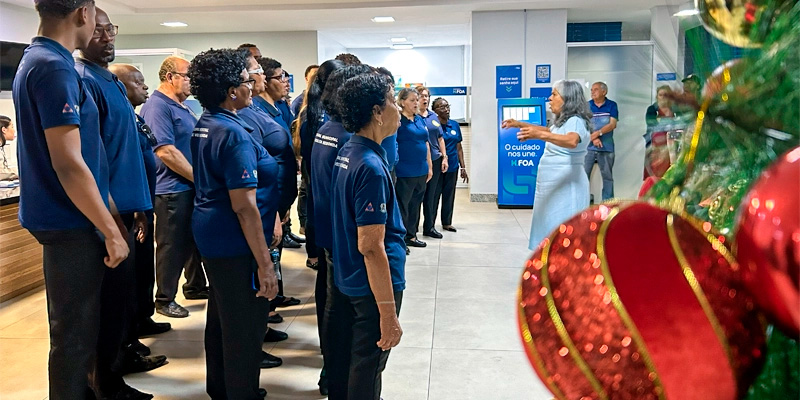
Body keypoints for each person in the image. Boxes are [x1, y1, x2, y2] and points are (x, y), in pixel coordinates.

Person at [12, 1, 129, 397]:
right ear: (82, 13)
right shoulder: (54, 67)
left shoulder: (39, 59)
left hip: (69, 218)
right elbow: (69, 163)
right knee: (74, 339)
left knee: (80, 332)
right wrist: (110, 230)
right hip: (70, 221)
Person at [75, 9, 166, 396]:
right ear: (82, 29)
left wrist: (140, 206)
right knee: (107, 308)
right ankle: (106, 384)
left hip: (128, 211)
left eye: (110, 29)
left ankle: (115, 372)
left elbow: (128, 150)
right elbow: (92, 162)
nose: (107, 37)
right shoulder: (84, 81)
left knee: (123, 302)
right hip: (107, 218)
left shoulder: (110, 81)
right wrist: (113, 219)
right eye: (98, 30)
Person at [188, 48, 280, 399]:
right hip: (233, 238)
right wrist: (265, 265)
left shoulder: (207, 122)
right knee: (244, 325)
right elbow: (244, 207)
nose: (251, 86)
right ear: (231, 91)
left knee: (222, 315)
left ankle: (221, 388)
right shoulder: (233, 134)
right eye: (245, 81)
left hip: (212, 232)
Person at [328, 72, 405, 400]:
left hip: (351, 276)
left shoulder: (350, 152)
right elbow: (371, 246)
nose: (397, 108)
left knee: (356, 358)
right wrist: (388, 313)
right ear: (377, 112)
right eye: (392, 100)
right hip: (371, 285)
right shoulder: (370, 167)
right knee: (369, 362)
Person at [309, 63, 373, 396]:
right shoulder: (349, 140)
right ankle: (338, 380)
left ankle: (332, 376)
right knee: (343, 317)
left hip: (329, 232)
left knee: (333, 307)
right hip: (343, 240)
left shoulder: (326, 128)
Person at [140, 55, 208, 318]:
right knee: (171, 246)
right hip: (171, 189)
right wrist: (199, 179)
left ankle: (195, 286)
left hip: (187, 186)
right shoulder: (157, 107)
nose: (192, 81)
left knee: (192, 242)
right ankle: (164, 299)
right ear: (170, 77)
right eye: (188, 76)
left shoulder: (183, 106)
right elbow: (165, 151)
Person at [111, 63, 174, 343]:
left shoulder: (135, 118)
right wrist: (137, 206)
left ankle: (142, 317)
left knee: (144, 266)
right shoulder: (118, 120)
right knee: (129, 274)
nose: (145, 87)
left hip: (144, 203)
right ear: (119, 87)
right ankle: (129, 334)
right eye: (137, 82)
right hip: (128, 207)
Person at [503, 80, 592, 250]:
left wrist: (539, 136)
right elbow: (548, 131)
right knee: (549, 227)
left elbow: (571, 140)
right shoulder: (564, 122)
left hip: (567, 187)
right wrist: (519, 124)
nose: (550, 98)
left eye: (554, 94)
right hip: (555, 187)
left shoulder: (575, 121)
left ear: (567, 99)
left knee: (563, 231)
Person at [295, 59, 343, 272]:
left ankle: (317, 254)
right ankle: (314, 254)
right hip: (319, 174)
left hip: (318, 173)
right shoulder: (319, 115)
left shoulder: (318, 112)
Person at [253, 56, 304, 249]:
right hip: (269, 197)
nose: (286, 81)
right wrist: (273, 209)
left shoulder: (279, 107)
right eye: (280, 77)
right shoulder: (257, 110)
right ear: (266, 81)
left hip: (282, 193)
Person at [394, 88, 433, 251]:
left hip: (421, 170)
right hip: (404, 171)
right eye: (412, 100)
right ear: (402, 102)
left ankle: (411, 235)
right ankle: (401, 240)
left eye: (417, 100)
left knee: (416, 205)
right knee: (403, 206)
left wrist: (429, 166)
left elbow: (426, 143)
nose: (416, 103)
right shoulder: (398, 121)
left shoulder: (419, 120)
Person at [431, 98, 469, 232]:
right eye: (442, 107)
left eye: (447, 106)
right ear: (435, 111)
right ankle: (430, 225)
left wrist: (463, 167)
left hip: (452, 167)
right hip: (437, 166)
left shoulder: (455, 125)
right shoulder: (433, 126)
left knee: (449, 195)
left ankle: (447, 222)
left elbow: (459, 147)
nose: (446, 109)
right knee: (434, 196)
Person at [416, 86, 448, 239]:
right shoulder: (412, 117)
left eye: (427, 96)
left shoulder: (433, 117)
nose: (425, 99)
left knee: (432, 196)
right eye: (422, 96)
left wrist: (444, 157)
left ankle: (429, 227)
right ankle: (412, 230)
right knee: (416, 196)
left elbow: (440, 138)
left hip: (434, 160)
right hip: (418, 161)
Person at [583, 81, 619, 203]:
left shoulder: (612, 105)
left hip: (606, 147)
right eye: (591, 90)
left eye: (596, 89)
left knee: (607, 177)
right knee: (583, 176)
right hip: (588, 148)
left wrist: (598, 133)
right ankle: (582, 203)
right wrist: (594, 138)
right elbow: (583, 124)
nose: (592, 92)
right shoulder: (587, 106)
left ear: (604, 92)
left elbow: (612, 124)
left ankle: (608, 205)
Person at [644, 85, 679, 179]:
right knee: (654, 175)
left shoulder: (675, 109)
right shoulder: (652, 109)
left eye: (665, 95)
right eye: (660, 95)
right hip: (655, 147)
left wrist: (663, 122)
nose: (663, 97)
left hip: (671, 147)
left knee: (670, 174)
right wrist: (669, 121)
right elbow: (652, 125)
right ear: (657, 96)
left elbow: (679, 126)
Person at [375, 68, 399, 181]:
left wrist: (396, 157)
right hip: (380, 167)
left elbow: (395, 138)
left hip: (391, 166)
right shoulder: (377, 112)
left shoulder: (392, 111)